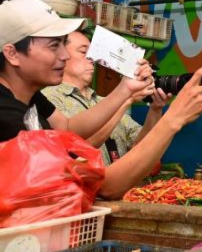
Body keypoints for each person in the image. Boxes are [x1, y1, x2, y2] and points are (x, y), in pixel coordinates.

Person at [0, 0, 202, 199]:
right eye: (53, 45)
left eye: (64, 45)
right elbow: (104, 187)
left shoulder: (30, 97)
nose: (64, 56)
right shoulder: (7, 118)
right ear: (12, 54)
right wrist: (174, 118)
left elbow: (66, 127)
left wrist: (126, 89)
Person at [42, 30, 171, 165]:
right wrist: (126, 100)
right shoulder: (49, 100)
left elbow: (142, 147)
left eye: (93, 53)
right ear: (62, 55)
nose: (92, 58)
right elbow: (81, 150)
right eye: (83, 52)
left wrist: (155, 110)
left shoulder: (104, 102)